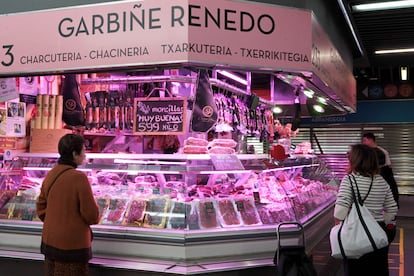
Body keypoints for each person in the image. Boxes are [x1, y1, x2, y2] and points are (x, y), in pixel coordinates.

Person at [36, 134, 100, 276]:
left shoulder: (51, 174)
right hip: (72, 247)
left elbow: (40, 208)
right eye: (83, 151)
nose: (85, 155)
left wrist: (56, 222)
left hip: (50, 243)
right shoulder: (79, 178)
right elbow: (91, 216)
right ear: (74, 153)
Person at [334, 144, 398, 276]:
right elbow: (392, 209)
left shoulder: (349, 179)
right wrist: (378, 221)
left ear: (355, 160)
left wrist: (338, 229)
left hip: (355, 232)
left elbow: (340, 212)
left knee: (356, 271)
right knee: (377, 270)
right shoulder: (381, 181)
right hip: (378, 233)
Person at [362, 132, 399, 206]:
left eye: (365, 140)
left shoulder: (379, 151)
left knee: (389, 189)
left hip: (383, 172)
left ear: (371, 140)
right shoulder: (374, 150)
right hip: (382, 172)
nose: (363, 143)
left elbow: (387, 165)